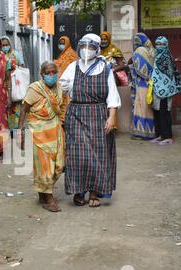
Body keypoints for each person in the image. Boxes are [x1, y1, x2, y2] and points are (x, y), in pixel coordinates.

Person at [60, 33, 120, 208]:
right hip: (77, 114)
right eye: (84, 47)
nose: (87, 50)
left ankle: (94, 191)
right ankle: (79, 190)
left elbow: (113, 95)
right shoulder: (73, 66)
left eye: (91, 47)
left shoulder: (105, 68)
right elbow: (62, 86)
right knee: (78, 154)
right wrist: (65, 86)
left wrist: (112, 117)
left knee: (97, 154)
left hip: (99, 114)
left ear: (97, 49)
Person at [17, 61, 65, 212]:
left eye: (53, 72)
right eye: (48, 73)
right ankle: (48, 198)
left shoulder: (59, 87)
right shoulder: (35, 88)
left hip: (55, 128)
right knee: (45, 167)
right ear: (42, 75)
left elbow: (60, 108)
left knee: (59, 165)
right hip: (39, 130)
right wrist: (20, 132)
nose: (51, 75)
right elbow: (24, 109)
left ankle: (42, 192)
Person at [150, 36, 181, 146]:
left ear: (166, 45)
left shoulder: (166, 57)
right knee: (157, 111)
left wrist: (164, 87)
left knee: (164, 112)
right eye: (157, 44)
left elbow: (169, 75)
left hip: (166, 89)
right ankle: (160, 135)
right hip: (157, 88)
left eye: (162, 44)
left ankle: (168, 136)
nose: (159, 46)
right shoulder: (157, 55)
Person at [131, 32, 156, 140]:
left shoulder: (139, 51)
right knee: (149, 108)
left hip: (141, 83)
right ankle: (151, 131)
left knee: (141, 107)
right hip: (151, 84)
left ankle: (141, 133)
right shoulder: (152, 51)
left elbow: (140, 70)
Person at [1, 36, 25, 131]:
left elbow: (22, 66)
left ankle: (17, 128)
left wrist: (14, 68)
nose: (5, 47)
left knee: (16, 106)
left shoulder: (15, 54)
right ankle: (7, 129)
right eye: (3, 45)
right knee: (6, 106)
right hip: (4, 85)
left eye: (7, 45)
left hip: (16, 84)